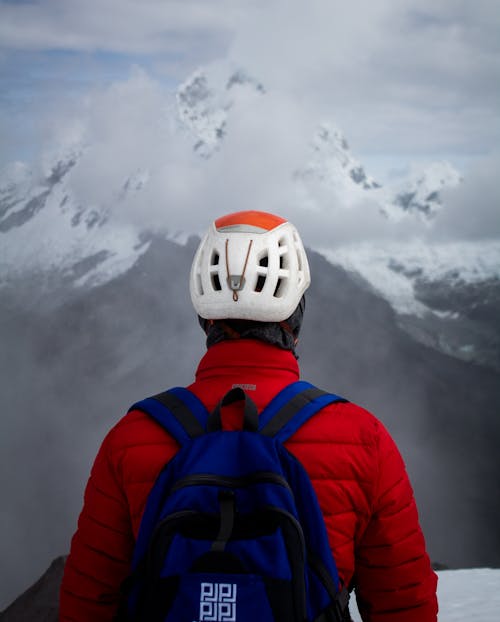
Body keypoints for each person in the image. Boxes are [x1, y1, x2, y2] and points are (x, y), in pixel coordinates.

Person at [60, 209, 438, 621]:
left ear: (205, 317)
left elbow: (86, 603)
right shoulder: (362, 438)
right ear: (296, 315)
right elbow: (404, 603)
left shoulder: (132, 436)